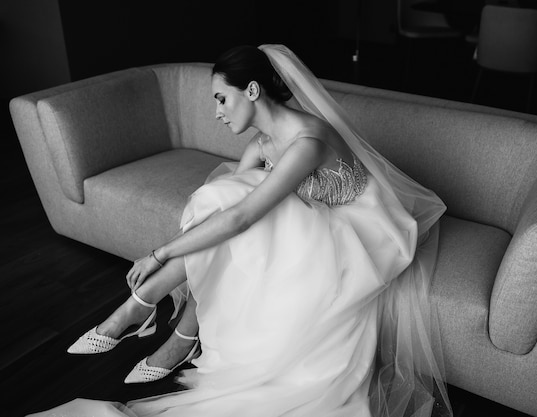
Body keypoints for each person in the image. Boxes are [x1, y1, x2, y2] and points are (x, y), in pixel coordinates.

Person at [29, 44, 451, 417]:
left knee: (237, 209)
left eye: (221, 98)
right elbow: (225, 219)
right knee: (218, 197)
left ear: (251, 90)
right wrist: (177, 252)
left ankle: (145, 310)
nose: (216, 112)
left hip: (364, 233)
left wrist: (157, 255)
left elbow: (242, 218)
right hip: (314, 217)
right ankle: (172, 327)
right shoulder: (262, 145)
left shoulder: (309, 140)